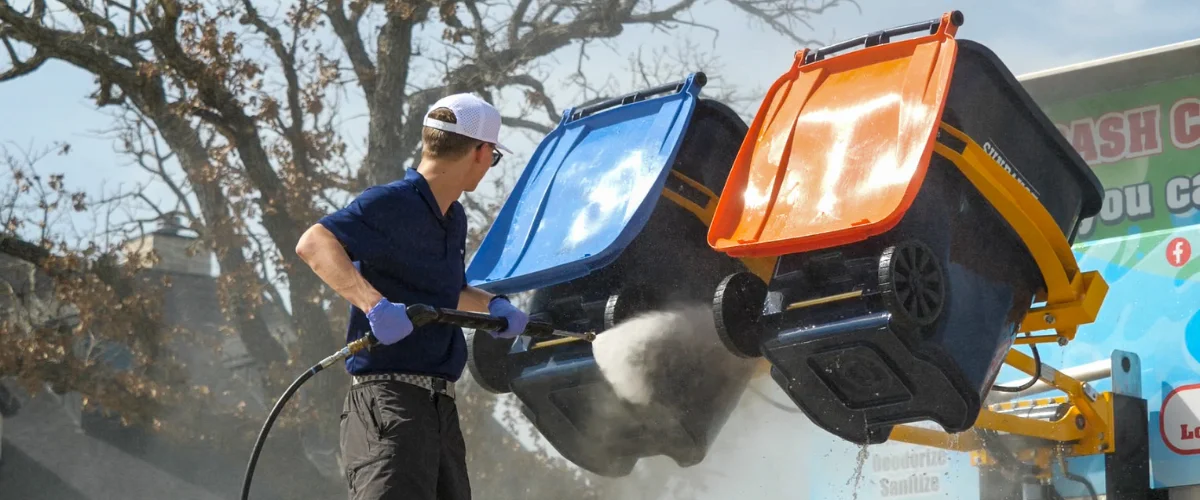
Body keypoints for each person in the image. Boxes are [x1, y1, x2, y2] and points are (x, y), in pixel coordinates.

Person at [294, 93, 531, 500]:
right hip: (386, 402)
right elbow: (314, 243)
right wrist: (375, 306)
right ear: (480, 151)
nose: (489, 167)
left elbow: (446, 293)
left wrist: (492, 306)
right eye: (492, 156)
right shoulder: (391, 203)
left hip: (438, 407)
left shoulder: (453, 218)